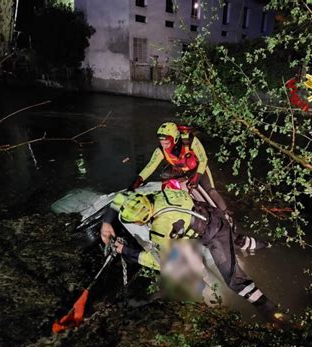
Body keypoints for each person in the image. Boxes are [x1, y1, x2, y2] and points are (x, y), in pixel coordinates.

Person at [100, 189, 285, 324]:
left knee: (234, 281)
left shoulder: (159, 228)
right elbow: (118, 198)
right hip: (208, 215)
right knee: (237, 240)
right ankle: (270, 245)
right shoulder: (154, 196)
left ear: (142, 219)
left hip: (214, 234)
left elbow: (162, 264)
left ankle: (269, 310)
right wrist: (106, 223)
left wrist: (125, 251)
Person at [128, 122, 266, 252]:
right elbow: (150, 166)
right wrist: (138, 180)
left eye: (166, 141)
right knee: (174, 189)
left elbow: (203, 159)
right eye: (161, 141)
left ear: (175, 138)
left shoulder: (190, 141)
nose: (163, 144)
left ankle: (226, 216)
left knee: (211, 192)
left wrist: (196, 178)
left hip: (199, 170)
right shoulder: (160, 151)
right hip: (182, 173)